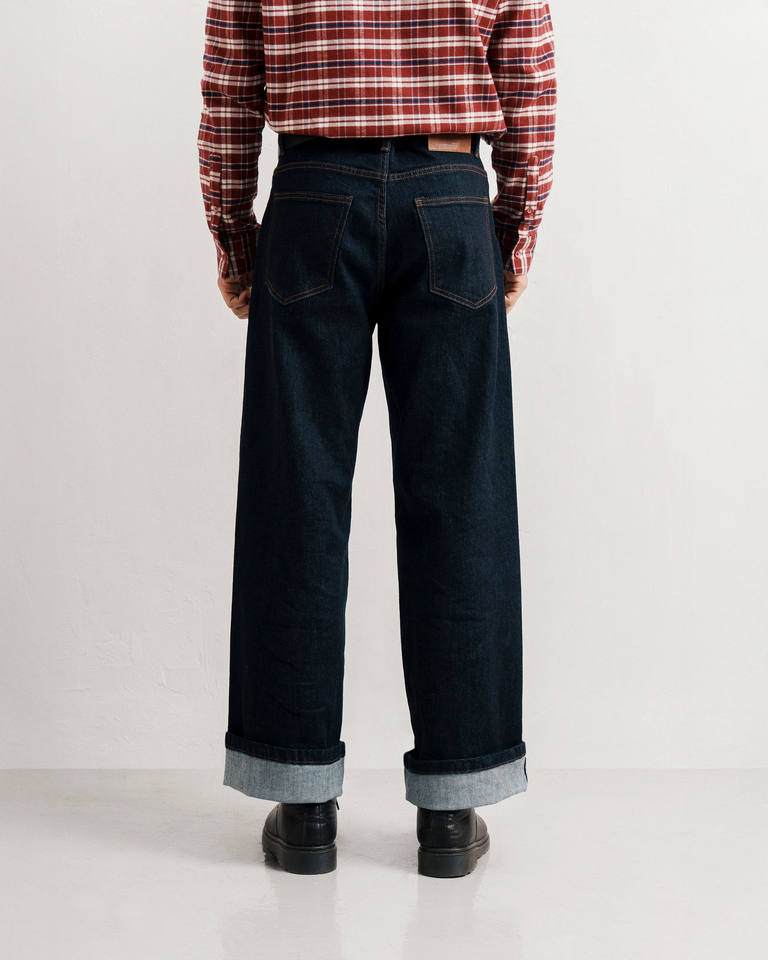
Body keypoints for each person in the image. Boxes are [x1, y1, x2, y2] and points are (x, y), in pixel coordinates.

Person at [197, 0, 556, 878]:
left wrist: (235, 238)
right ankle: (452, 807)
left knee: (296, 493)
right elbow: (530, 77)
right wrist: (512, 230)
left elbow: (230, 88)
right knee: (461, 497)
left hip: (313, 194)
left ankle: (302, 804)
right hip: (450, 195)